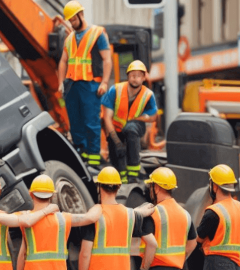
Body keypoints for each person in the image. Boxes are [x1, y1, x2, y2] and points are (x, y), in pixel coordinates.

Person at [58, 0, 112, 168]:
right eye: (69, 21)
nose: (72, 23)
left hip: (90, 85)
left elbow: (107, 60)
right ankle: (82, 156)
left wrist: (104, 82)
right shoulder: (69, 39)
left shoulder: (97, 34)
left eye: (73, 19)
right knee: (75, 123)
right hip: (72, 86)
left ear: (81, 15)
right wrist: (61, 83)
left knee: (91, 122)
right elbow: (63, 62)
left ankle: (94, 160)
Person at [14, 175, 102, 270]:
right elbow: (90, 218)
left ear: (30, 194)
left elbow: (22, 255)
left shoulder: (26, 219)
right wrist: (99, 206)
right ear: (53, 195)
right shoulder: (63, 219)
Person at [78, 166, 157, 270]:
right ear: (119, 187)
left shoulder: (94, 215)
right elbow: (152, 244)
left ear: (99, 187)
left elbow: (85, 254)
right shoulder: (130, 214)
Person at [101, 60, 158, 183]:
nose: (135, 79)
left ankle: (133, 175)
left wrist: (140, 118)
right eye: (132, 76)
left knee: (131, 129)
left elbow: (153, 116)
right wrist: (117, 142)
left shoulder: (148, 94)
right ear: (128, 77)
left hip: (135, 126)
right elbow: (107, 117)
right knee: (117, 158)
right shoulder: (115, 90)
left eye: (138, 76)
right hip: (115, 129)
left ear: (143, 78)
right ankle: (122, 179)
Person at [140, 167, 198, 270]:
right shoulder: (185, 214)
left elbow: (151, 245)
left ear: (157, 188)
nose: (150, 190)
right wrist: (178, 259)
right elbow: (193, 243)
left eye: (151, 186)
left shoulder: (153, 213)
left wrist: (144, 268)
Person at [197, 164, 240, 270]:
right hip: (237, 264)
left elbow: (198, 238)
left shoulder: (213, 212)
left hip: (217, 263)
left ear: (215, 187)